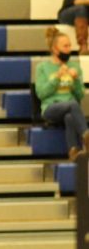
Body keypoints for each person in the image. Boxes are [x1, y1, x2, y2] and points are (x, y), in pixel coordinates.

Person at [36, 27, 88, 161]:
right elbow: (41, 94)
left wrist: (76, 80)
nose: (69, 49)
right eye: (65, 46)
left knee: (70, 116)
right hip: (51, 108)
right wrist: (57, 77)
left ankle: (73, 152)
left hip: (70, 108)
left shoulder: (74, 66)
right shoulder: (43, 67)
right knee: (71, 105)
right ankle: (86, 136)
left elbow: (80, 95)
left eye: (70, 46)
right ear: (55, 49)